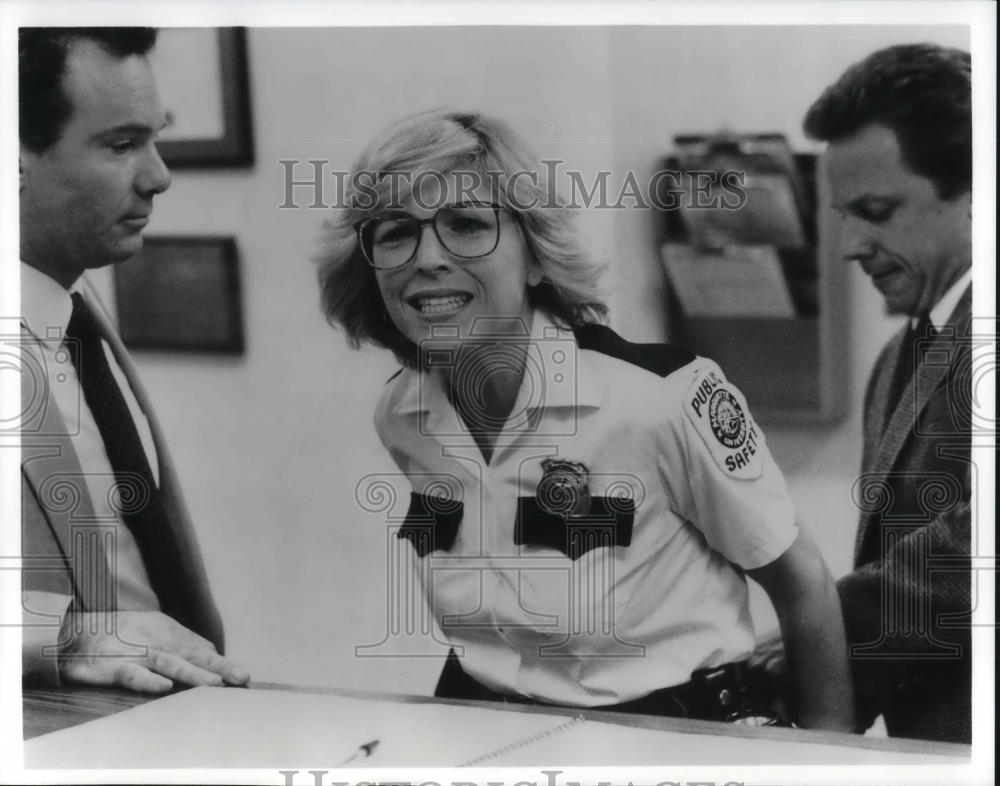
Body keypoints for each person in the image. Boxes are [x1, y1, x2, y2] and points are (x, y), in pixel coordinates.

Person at [317, 109, 854, 730]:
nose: (428, 257)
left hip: (671, 736)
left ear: (537, 258)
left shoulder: (662, 398)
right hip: (484, 725)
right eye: (395, 233)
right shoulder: (401, 414)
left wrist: (829, 759)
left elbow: (803, 586)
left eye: (466, 225)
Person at [19, 27, 249, 694]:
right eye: (121, 145)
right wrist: (68, 636)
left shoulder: (73, 307)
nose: (160, 175)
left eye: (157, 137)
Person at [756, 43, 974, 743]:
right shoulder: (896, 356)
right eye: (842, 214)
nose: (850, 245)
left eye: (876, 210)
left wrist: (816, 628)